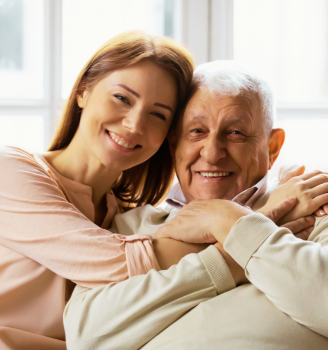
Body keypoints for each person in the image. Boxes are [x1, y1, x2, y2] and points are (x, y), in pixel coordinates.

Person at [64, 61, 328, 350]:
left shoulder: (318, 203)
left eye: (236, 133)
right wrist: (235, 248)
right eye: (197, 131)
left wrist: (227, 218)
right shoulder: (131, 225)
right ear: (174, 145)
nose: (212, 153)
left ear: (272, 147)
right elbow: (86, 337)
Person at [0, 31, 195, 350]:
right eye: (122, 98)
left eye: (157, 114)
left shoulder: (124, 217)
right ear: (82, 92)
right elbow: (122, 265)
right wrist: (249, 234)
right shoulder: (9, 171)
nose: (134, 125)